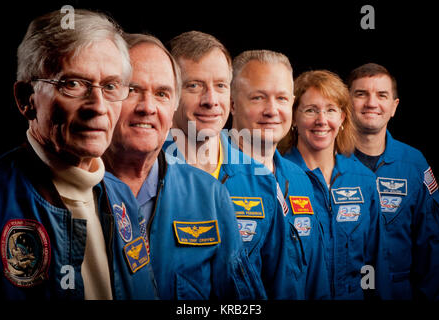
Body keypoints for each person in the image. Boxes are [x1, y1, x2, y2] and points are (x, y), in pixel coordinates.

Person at [0, 9, 156, 299]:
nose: (98, 106)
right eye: (73, 84)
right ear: (25, 99)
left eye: (110, 86)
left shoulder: (122, 200)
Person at [102, 33, 265, 300]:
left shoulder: (211, 196)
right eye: (132, 90)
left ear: (173, 102)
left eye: (162, 93)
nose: (148, 107)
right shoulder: (74, 191)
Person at [163, 31, 300, 299]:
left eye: (221, 86)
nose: (211, 100)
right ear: (170, 92)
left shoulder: (260, 180)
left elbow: (282, 287)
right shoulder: (147, 175)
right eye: (194, 85)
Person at [229, 49, 330, 299]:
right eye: (258, 98)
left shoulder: (300, 180)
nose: (272, 110)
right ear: (231, 103)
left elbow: (317, 282)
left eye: (282, 99)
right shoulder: (209, 177)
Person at [278, 70, 383, 300]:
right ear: (294, 117)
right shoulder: (277, 178)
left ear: (343, 118)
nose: (322, 120)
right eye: (311, 110)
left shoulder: (363, 180)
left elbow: (376, 262)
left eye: (331, 110)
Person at [348, 62, 439, 300]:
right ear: (345, 103)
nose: (371, 103)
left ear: (394, 107)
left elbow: (434, 247)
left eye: (382, 95)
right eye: (361, 94)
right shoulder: (325, 162)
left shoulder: (414, 164)